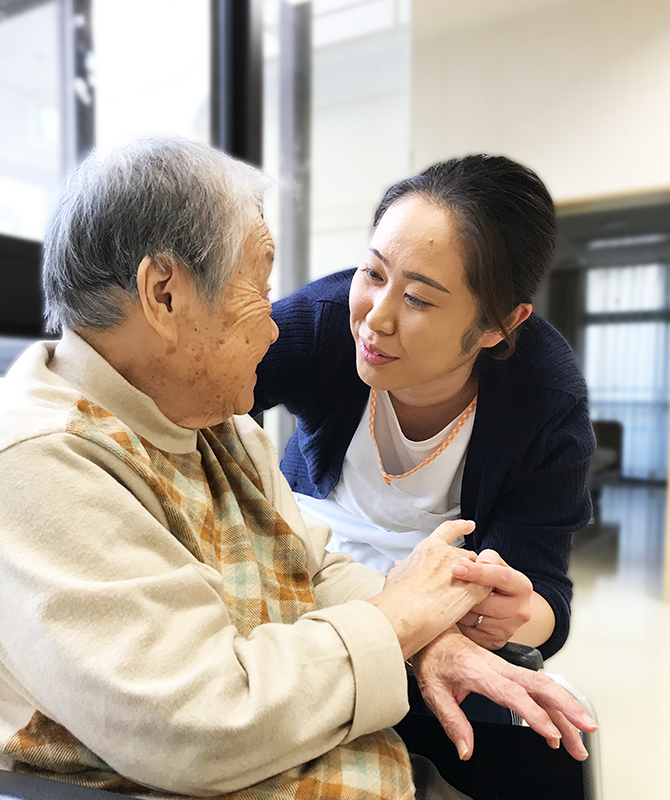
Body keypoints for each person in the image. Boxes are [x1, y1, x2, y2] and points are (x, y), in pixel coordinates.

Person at [0, 138, 595, 800]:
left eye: (420, 298)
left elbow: (310, 567)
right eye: (260, 282)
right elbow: (196, 727)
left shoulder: (219, 422)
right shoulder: (43, 460)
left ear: (495, 328)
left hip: (339, 749)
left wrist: (434, 636)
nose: (277, 327)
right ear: (164, 295)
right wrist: (399, 623)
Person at [253, 156, 595, 665]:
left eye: (417, 298)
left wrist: (516, 612)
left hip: (437, 603)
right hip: (304, 555)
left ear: (498, 324)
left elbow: (542, 594)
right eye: (373, 272)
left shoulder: (545, 402)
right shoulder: (323, 324)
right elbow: (191, 385)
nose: (375, 318)